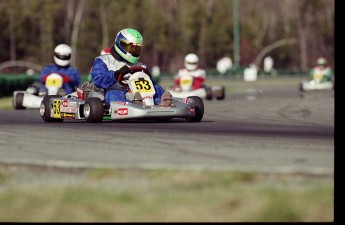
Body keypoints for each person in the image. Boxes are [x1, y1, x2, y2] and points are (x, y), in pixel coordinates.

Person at [90, 28, 171, 107]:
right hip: (117, 92)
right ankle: (133, 105)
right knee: (111, 95)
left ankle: (162, 103)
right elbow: (98, 79)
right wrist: (116, 74)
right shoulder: (104, 60)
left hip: (139, 93)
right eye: (131, 48)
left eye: (137, 49)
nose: (134, 51)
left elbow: (150, 84)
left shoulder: (141, 66)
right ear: (121, 44)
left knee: (157, 88)